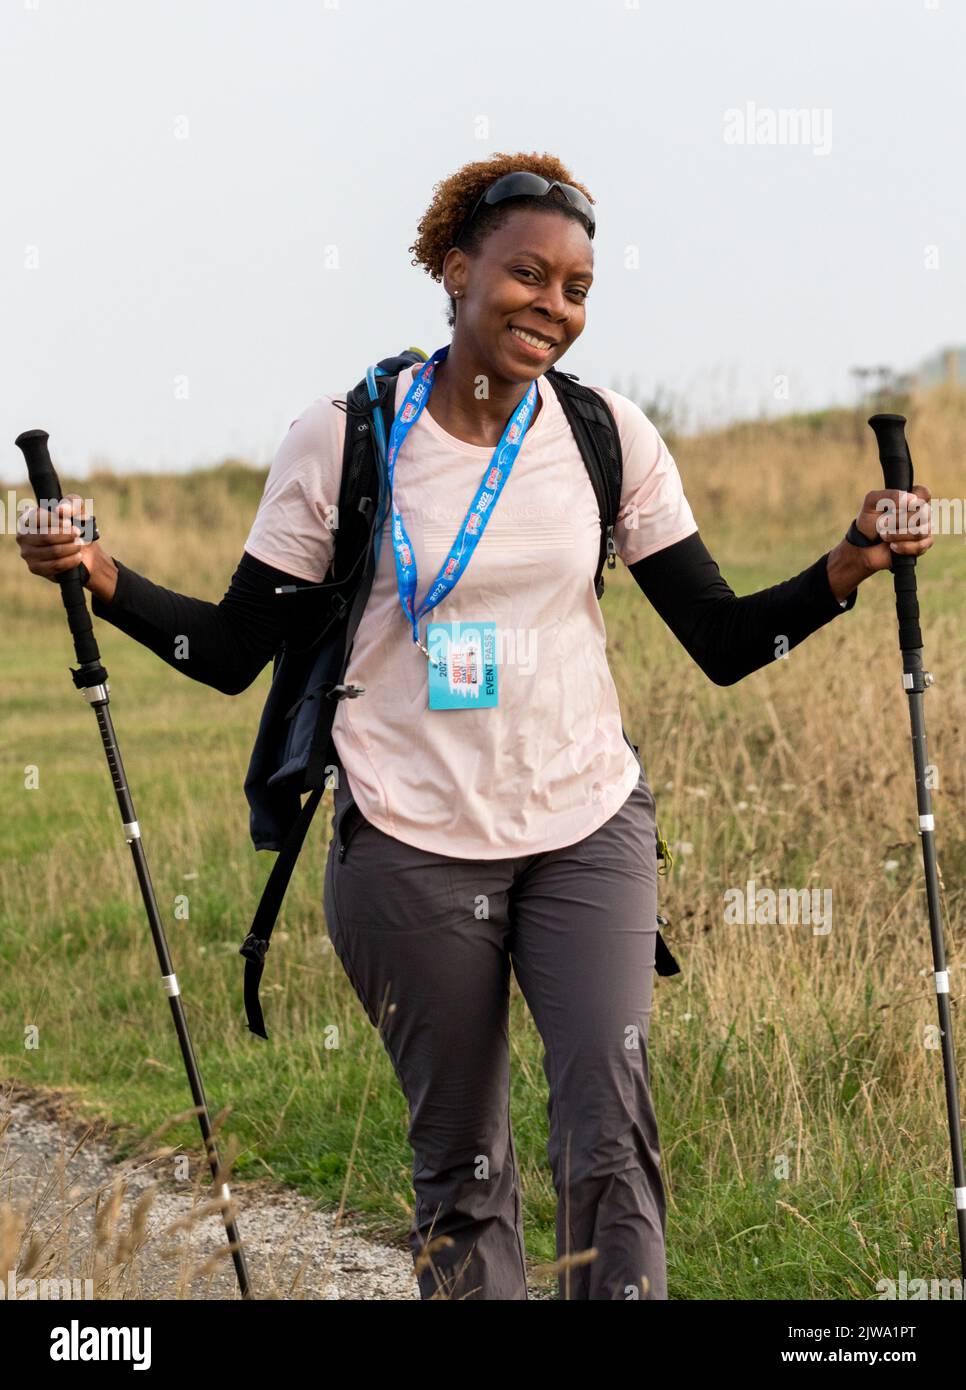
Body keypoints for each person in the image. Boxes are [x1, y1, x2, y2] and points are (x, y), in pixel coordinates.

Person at [17, 151, 933, 1301]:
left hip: (586, 823)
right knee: (466, 1166)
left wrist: (848, 563)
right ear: (456, 270)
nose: (554, 305)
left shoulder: (606, 435)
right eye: (528, 275)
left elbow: (723, 638)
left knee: (612, 1131)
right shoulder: (344, 439)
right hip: (409, 841)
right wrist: (101, 573)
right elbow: (233, 653)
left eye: (578, 288)